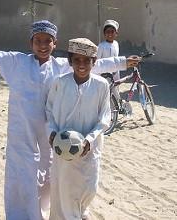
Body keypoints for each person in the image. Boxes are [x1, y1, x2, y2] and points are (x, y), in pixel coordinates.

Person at [0, 20, 139, 220]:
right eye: (38, 40)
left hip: (51, 131)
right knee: (20, 173)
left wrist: (122, 62)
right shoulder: (14, 62)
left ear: (55, 43)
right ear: (31, 43)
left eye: (48, 41)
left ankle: (42, 213)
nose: (43, 45)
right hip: (21, 129)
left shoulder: (61, 66)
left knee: (49, 173)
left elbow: (93, 63)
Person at [46, 38, 110, 219]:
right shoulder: (60, 83)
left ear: (94, 62)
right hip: (63, 148)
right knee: (64, 188)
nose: (81, 65)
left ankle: (81, 212)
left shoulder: (101, 85)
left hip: (90, 148)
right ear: (70, 61)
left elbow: (104, 118)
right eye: (77, 60)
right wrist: (51, 133)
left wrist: (89, 141)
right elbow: (49, 111)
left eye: (86, 61)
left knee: (89, 187)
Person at [97, 19, 130, 114]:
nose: (110, 34)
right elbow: (98, 61)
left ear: (116, 33)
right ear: (104, 33)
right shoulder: (101, 46)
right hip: (104, 74)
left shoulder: (116, 44)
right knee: (107, 92)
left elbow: (116, 58)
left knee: (116, 90)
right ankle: (108, 112)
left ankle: (117, 108)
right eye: (107, 32)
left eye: (112, 31)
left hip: (115, 72)